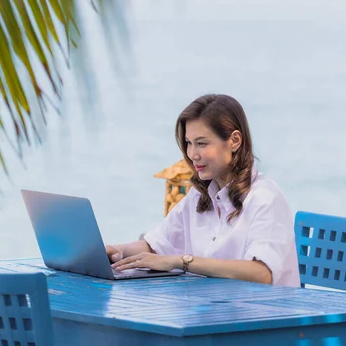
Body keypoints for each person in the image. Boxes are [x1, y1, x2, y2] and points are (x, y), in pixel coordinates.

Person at [107, 94, 300, 287]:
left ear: (234, 140)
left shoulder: (265, 198)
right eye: (189, 143)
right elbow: (156, 245)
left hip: (265, 313)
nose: (192, 154)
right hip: (215, 310)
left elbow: (261, 273)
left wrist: (183, 262)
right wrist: (116, 251)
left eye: (201, 143)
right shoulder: (199, 196)